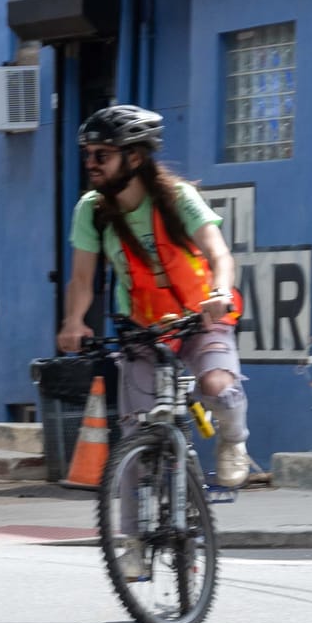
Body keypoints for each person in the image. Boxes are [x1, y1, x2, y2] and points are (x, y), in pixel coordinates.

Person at [57, 104, 251, 499]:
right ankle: (131, 543)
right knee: (134, 437)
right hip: (142, 329)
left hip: (201, 317)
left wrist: (218, 292)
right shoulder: (92, 211)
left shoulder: (177, 198)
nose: (91, 163)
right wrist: (74, 320)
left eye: (102, 155)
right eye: (88, 155)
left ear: (135, 157)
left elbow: (219, 254)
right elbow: (81, 278)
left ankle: (234, 438)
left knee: (217, 386)